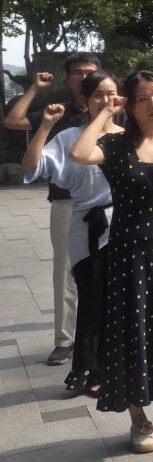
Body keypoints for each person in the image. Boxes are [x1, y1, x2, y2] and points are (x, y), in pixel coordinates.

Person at [69, 70, 153, 453]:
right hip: (129, 255)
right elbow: (79, 153)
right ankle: (138, 419)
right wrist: (105, 111)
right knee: (132, 332)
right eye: (143, 99)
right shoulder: (114, 145)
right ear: (129, 105)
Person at [22, 70, 123, 397]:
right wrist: (46, 126)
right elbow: (31, 167)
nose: (105, 101)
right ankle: (87, 369)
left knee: (120, 300)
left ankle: (115, 366)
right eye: (98, 95)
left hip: (125, 225)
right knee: (92, 298)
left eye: (111, 94)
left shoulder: (128, 136)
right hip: (85, 226)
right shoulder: (69, 138)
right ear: (85, 99)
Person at [4, 52, 102, 365]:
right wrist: (34, 88)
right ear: (68, 78)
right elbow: (13, 121)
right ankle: (64, 339)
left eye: (90, 71)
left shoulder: (114, 113)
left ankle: (108, 334)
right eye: (77, 72)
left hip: (108, 202)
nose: (84, 77)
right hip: (66, 202)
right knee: (66, 271)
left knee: (111, 267)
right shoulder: (59, 112)